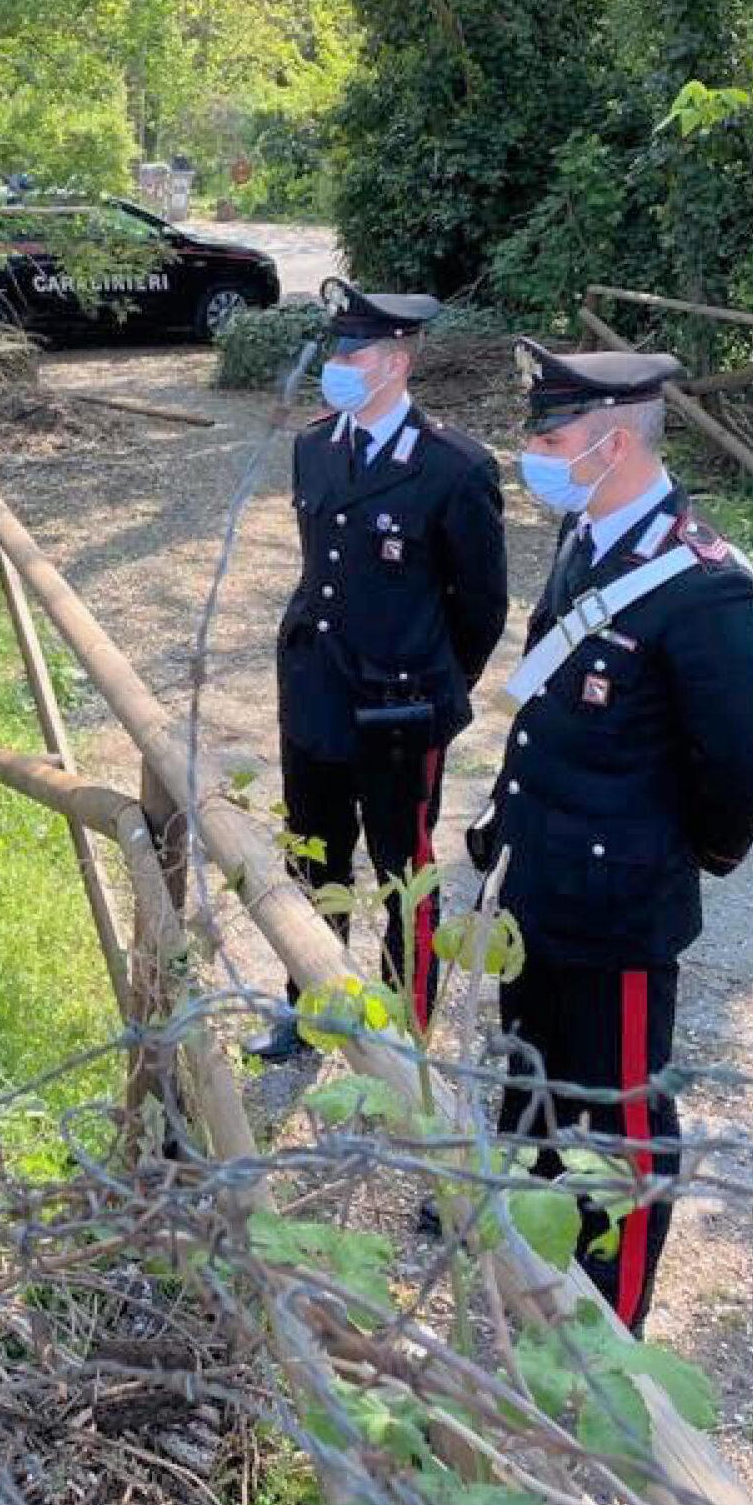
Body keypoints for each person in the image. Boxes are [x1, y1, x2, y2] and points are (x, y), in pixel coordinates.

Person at [468, 339, 753, 1333]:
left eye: (551, 436)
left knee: (626, 1119)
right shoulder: (586, 535)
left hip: (616, 907)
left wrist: (668, 863)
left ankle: (613, 1320)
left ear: (609, 441)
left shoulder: (704, 586)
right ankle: (533, 1253)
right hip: (539, 883)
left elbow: (737, 774)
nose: (536, 454)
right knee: (533, 1073)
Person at [253, 280, 508, 1063]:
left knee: (406, 869)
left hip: (399, 711)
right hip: (316, 693)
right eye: (334, 350)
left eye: (352, 352)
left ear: (396, 362)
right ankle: (313, 1000)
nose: (337, 364)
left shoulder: (454, 467)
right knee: (312, 853)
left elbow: (481, 609)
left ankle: (408, 1030)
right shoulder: (315, 445)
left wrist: (433, 685)